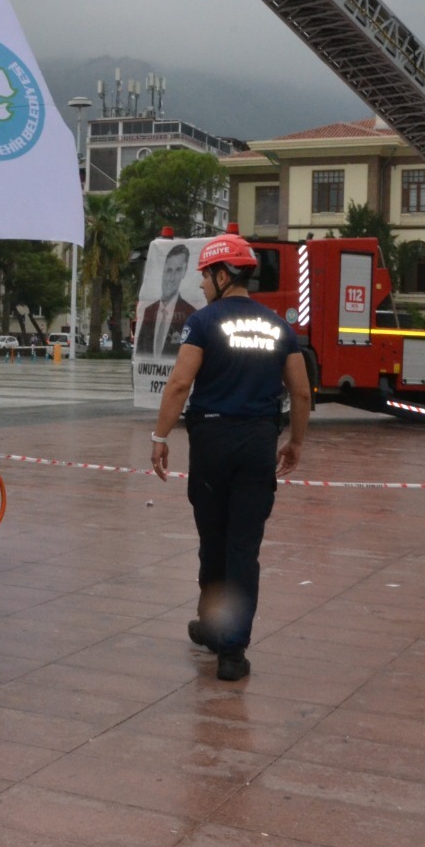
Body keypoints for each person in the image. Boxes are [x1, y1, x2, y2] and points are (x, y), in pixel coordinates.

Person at [150, 233, 311, 682]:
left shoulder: (204, 322)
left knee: (213, 540)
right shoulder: (279, 326)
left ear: (222, 275)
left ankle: (212, 624)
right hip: (259, 443)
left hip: (213, 442)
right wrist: (295, 442)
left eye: (204, 276)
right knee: (244, 547)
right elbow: (300, 390)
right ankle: (232, 652)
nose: (201, 285)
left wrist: (160, 435)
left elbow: (180, 383)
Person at [135, 243, 197, 356]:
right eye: (169, 270)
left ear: (184, 272)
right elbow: (140, 352)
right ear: (163, 271)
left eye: (178, 270)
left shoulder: (191, 314)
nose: (171, 278)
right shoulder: (149, 311)